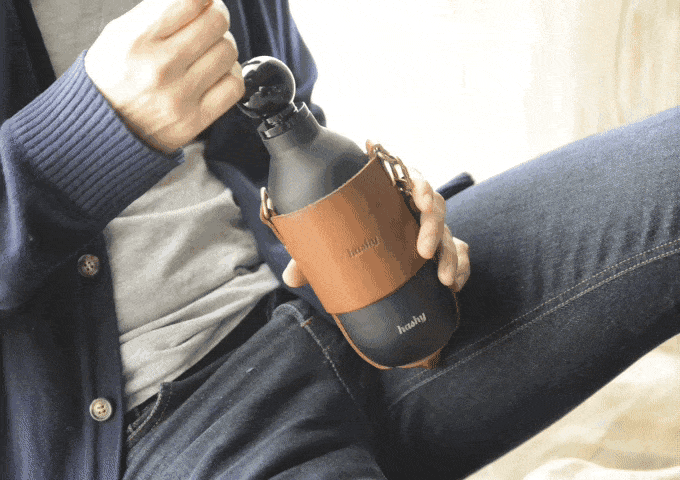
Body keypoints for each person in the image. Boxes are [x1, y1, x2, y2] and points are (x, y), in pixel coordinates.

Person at [1, 1, 678, 479]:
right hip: (165, 422)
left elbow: (273, 121)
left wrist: (368, 206)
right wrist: (89, 133)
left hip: (340, 305)